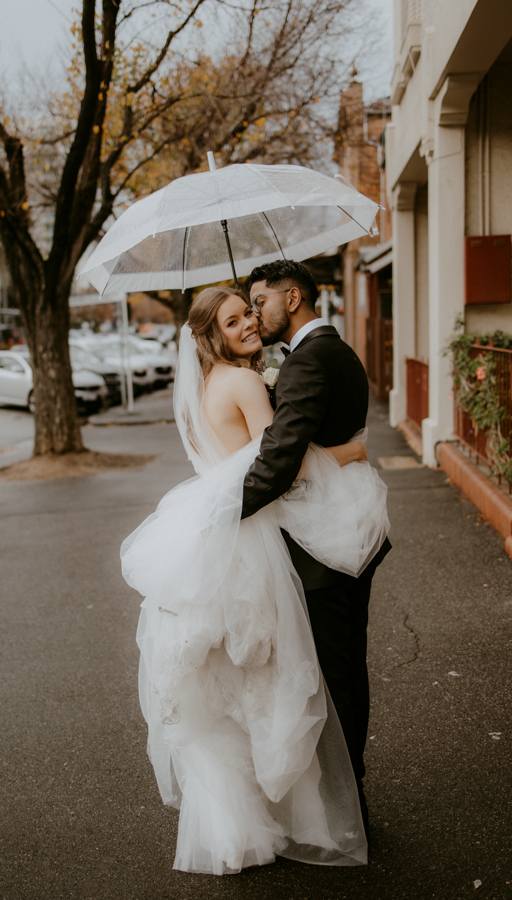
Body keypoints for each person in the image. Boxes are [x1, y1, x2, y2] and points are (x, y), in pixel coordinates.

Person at [121, 283, 389, 875]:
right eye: (235, 319)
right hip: (255, 544)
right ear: (213, 334)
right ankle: (306, 810)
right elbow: (284, 467)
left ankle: (241, 822)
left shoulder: (199, 391)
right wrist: (350, 453)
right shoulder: (243, 383)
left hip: (220, 544)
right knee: (279, 678)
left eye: (249, 313)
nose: (248, 324)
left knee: (233, 687)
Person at [241, 259, 392, 836]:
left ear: (293, 296)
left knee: (330, 675)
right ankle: (352, 793)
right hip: (356, 523)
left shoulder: (306, 362)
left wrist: (228, 515)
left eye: (260, 300)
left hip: (324, 542)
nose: (256, 313)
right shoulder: (338, 350)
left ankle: (348, 810)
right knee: (350, 665)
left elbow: (279, 460)